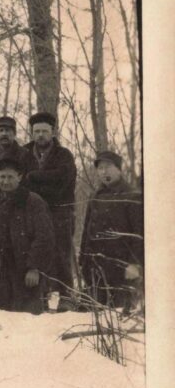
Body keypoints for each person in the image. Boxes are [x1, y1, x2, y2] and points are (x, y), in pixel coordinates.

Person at [0, 158, 54, 314]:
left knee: (26, 320)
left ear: (20, 177)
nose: (5, 181)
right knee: (0, 317)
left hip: (25, 272)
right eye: (2, 177)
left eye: (10, 177)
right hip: (0, 271)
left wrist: (34, 268)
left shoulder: (33, 201)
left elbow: (44, 237)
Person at [79, 151, 143, 310]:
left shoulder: (132, 195)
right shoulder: (95, 195)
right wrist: (83, 260)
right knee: (91, 314)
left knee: (119, 315)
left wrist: (135, 264)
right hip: (95, 267)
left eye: (108, 167)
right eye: (100, 168)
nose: (103, 171)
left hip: (121, 268)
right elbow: (87, 230)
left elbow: (139, 234)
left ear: (119, 170)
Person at [23, 112, 77, 299]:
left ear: (52, 132)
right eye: (36, 131)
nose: (40, 135)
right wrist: (44, 180)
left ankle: (65, 296)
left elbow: (63, 182)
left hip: (59, 212)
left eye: (44, 131)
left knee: (61, 254)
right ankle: (40, 295)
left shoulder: (63, 155)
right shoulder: (24, 153)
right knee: (35, 251)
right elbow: (20, 182)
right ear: (32, 133)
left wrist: (34, 177)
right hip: (31, 213)